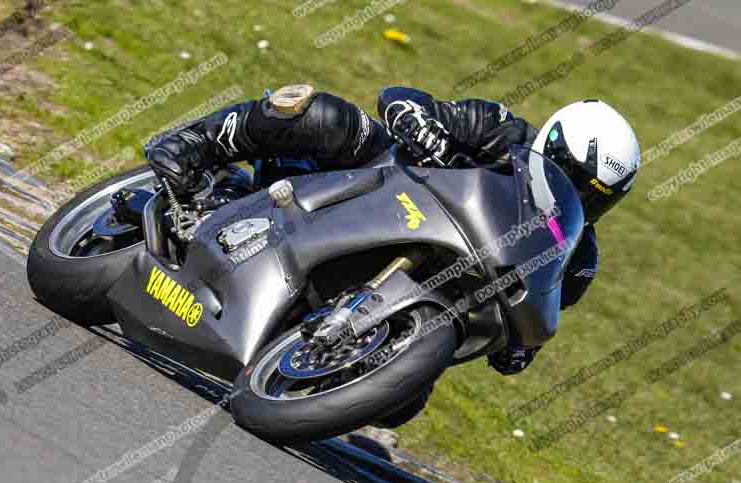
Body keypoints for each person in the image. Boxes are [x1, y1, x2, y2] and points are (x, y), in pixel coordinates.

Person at [144, 84, 640, 378]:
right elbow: (401, 100)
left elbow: (528, 327)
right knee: (326, 115)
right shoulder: (501, 130)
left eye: (596, 196)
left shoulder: (577, 257)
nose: (578, 195)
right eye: (572, 176)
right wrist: (426, 132)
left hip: (426, 294)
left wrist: (521, 347)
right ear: (550, 144)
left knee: (404, 404)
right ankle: (194, 143)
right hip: (381, 188)